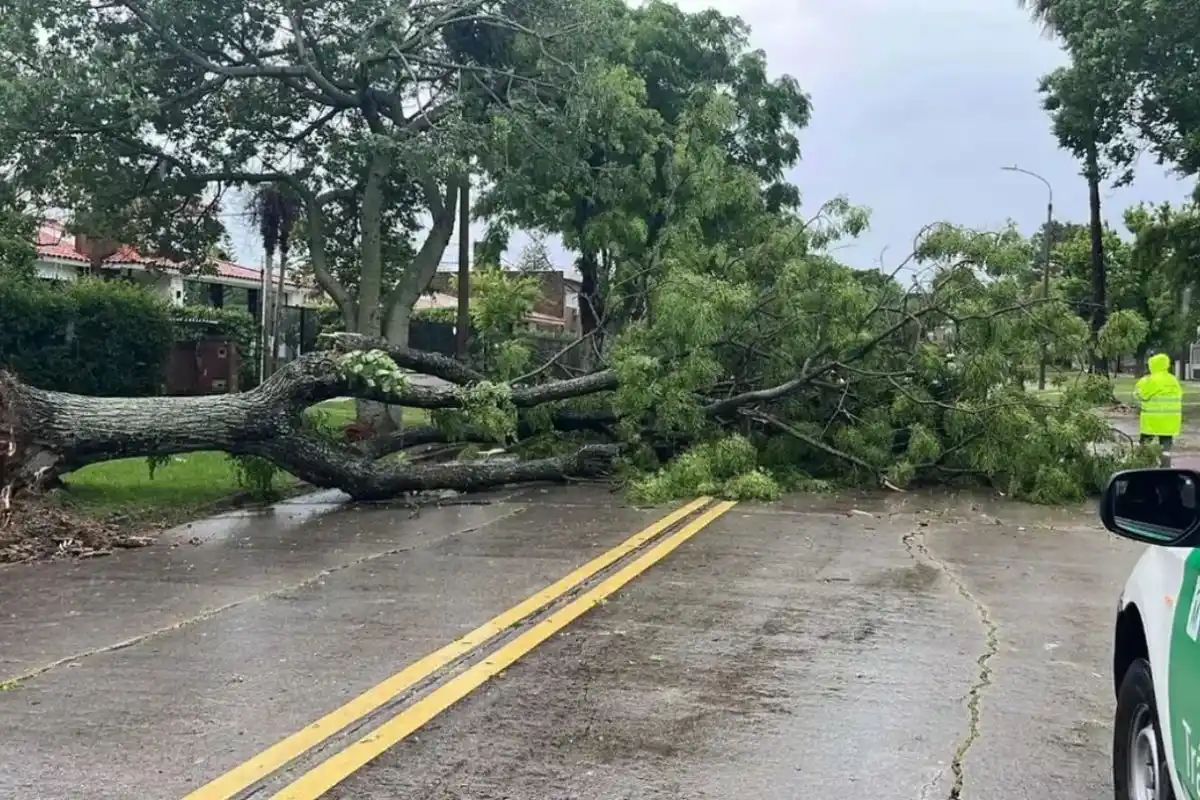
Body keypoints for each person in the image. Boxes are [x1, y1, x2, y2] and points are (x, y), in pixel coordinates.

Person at [1135, 352, 1183, 466]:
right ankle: (1166, 465)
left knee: (1145, 441)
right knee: (1166, 443)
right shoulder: (1173, 380)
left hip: (1152, 418)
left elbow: (1140, 394)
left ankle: (1140, 463)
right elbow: (1180, 395)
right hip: (1170, 419)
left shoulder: (1148, 380)